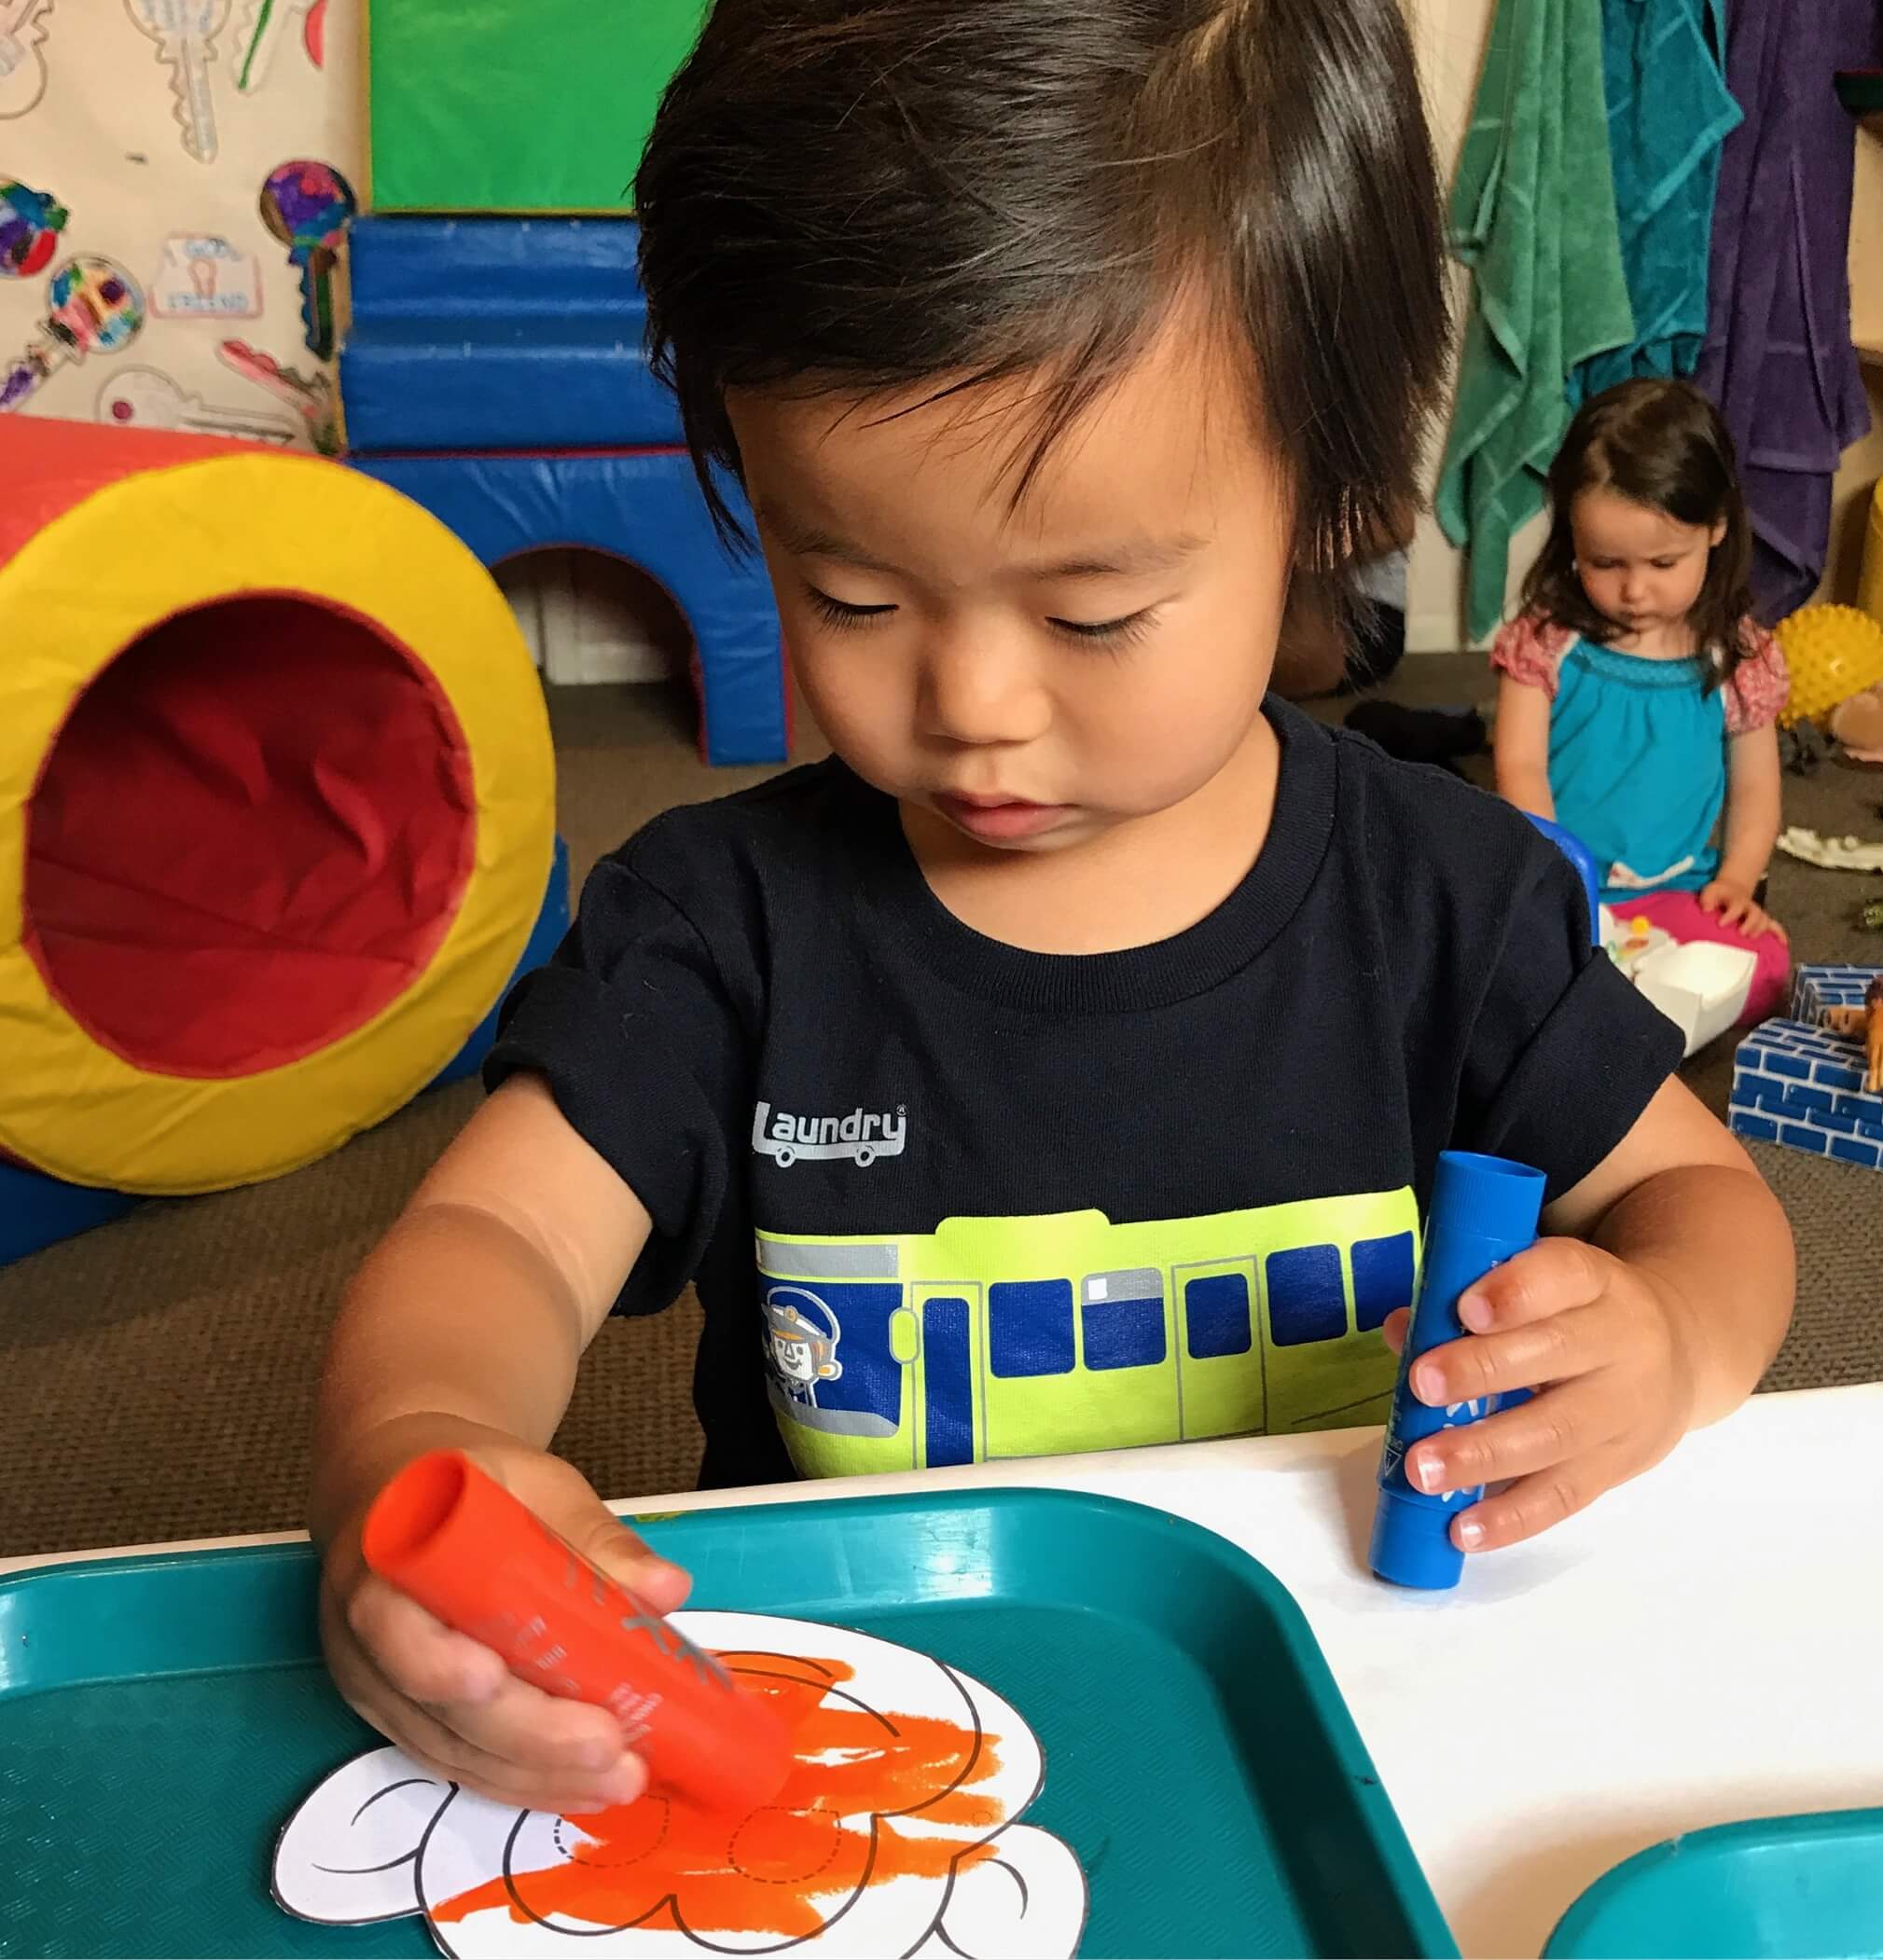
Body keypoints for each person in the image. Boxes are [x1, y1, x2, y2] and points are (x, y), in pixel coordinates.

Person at [310, 0, 1795, 1815]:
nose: (974, 706)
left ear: (1328, 497)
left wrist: (1664, 1340)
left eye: (1090, 611)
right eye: (850, 591)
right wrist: (418, 1449)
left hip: (1346, 1723)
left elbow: (1702, 1205)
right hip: (863, 1755)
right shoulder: (723, 927)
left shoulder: (1444, 905)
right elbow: (496, 1245)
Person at [1490, 380, 1793, 1023]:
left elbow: (1756, 790)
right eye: (1604, 562)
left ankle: (1613, 1014)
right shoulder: (1547, 642)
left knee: (1765, 968)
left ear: (1715, 528)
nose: (1633, 590)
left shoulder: (1738, 655)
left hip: (1678, 889)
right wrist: (1556, 880)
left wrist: (1738, 881)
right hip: (1560, 889)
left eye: (1662, 563)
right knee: (1488, 967)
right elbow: (1519, 769)